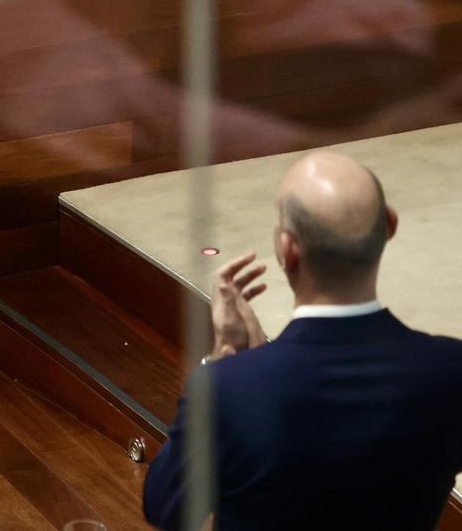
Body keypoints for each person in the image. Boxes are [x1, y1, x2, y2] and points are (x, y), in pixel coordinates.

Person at [143, 151, 462, 530]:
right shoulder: (450, 371)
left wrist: (225, 361)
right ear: (389, 225)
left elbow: (165, 509)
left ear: (287, 249)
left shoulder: (228, 388)